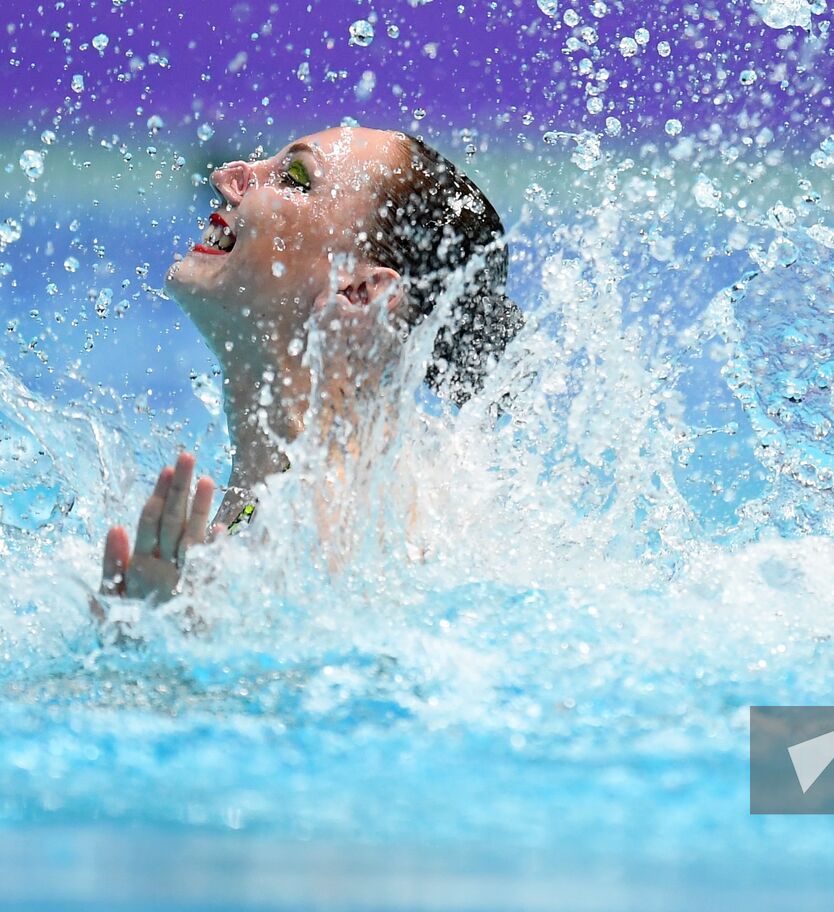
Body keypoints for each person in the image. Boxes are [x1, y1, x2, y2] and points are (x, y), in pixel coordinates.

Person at [95, 126, 521, 607]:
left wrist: (162, 653)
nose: (228, 176)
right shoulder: (291, 487)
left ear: (360, 294)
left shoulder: (326, 514)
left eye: (295, 177)